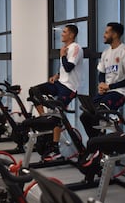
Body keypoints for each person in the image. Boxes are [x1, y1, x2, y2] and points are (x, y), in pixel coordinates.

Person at [29, 24, 84, 161]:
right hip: (60, 83)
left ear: (71, 35)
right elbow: (64, 69)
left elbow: (69, 67)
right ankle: (44, 119)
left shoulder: (76, 48)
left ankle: (55, 148)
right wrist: (57, 75)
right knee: (34, 91)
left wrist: (62, 55)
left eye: (64, 32)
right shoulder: (66, 49)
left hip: (69, 88)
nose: (62, 34)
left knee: (57, 115)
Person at [80, 22, 125, 139]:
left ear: (114, 34)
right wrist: (101, 84)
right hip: (107, 92)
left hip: (120, 93)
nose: (104, 35)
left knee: (98, 114)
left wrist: (109, 87)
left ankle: (101, 143)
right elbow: (102, 73)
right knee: (85, 115)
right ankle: (95, 143)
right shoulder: (106, 53)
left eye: (106, 32)